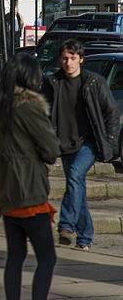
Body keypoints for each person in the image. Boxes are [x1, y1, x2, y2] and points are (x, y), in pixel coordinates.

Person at [0, 54, 60, 300]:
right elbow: (50, 149)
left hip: (5, 190)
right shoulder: (27, 107)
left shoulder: (1, 106)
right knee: (47, 257)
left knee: (15, 256)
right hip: (28, 190)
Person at [43, 39, 119, 250]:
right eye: (65, 58)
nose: (68, 63)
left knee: (76, 175)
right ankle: (85, 238)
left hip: (89, 142)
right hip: (64, 143)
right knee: (77, 189)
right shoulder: (52, 83)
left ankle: (66, 226)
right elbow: (43, 112)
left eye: (73, 58)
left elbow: (111, 111)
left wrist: (110, 141)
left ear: (81, 60)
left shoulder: (94, 82)